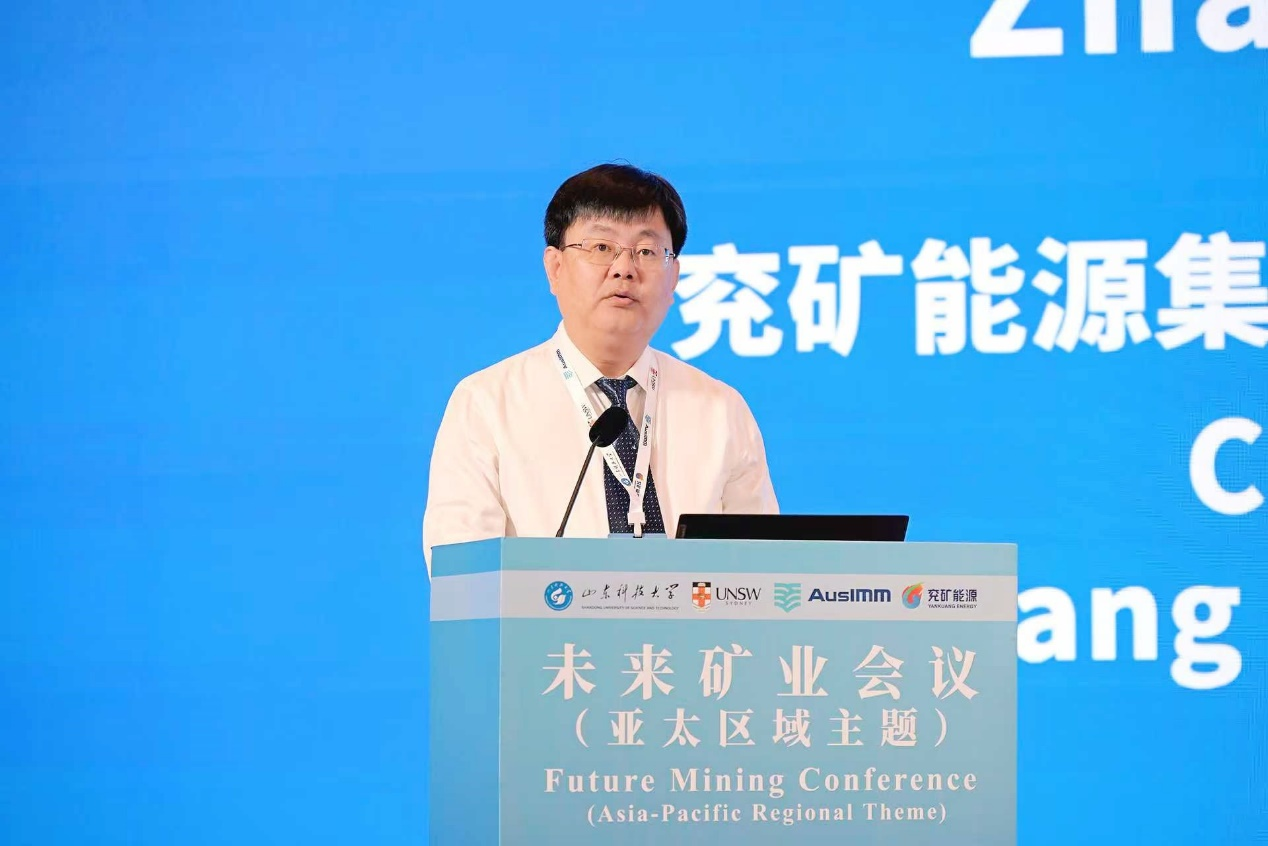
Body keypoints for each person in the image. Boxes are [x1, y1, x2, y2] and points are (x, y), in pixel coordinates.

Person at [421, 163, 778, 576]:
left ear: (674, 277)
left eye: (647, 251)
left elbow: (764, 573)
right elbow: (464, 579)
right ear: (555, 268)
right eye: (601, 247)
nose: (624, 268)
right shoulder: (486, 404)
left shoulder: (720, 409)